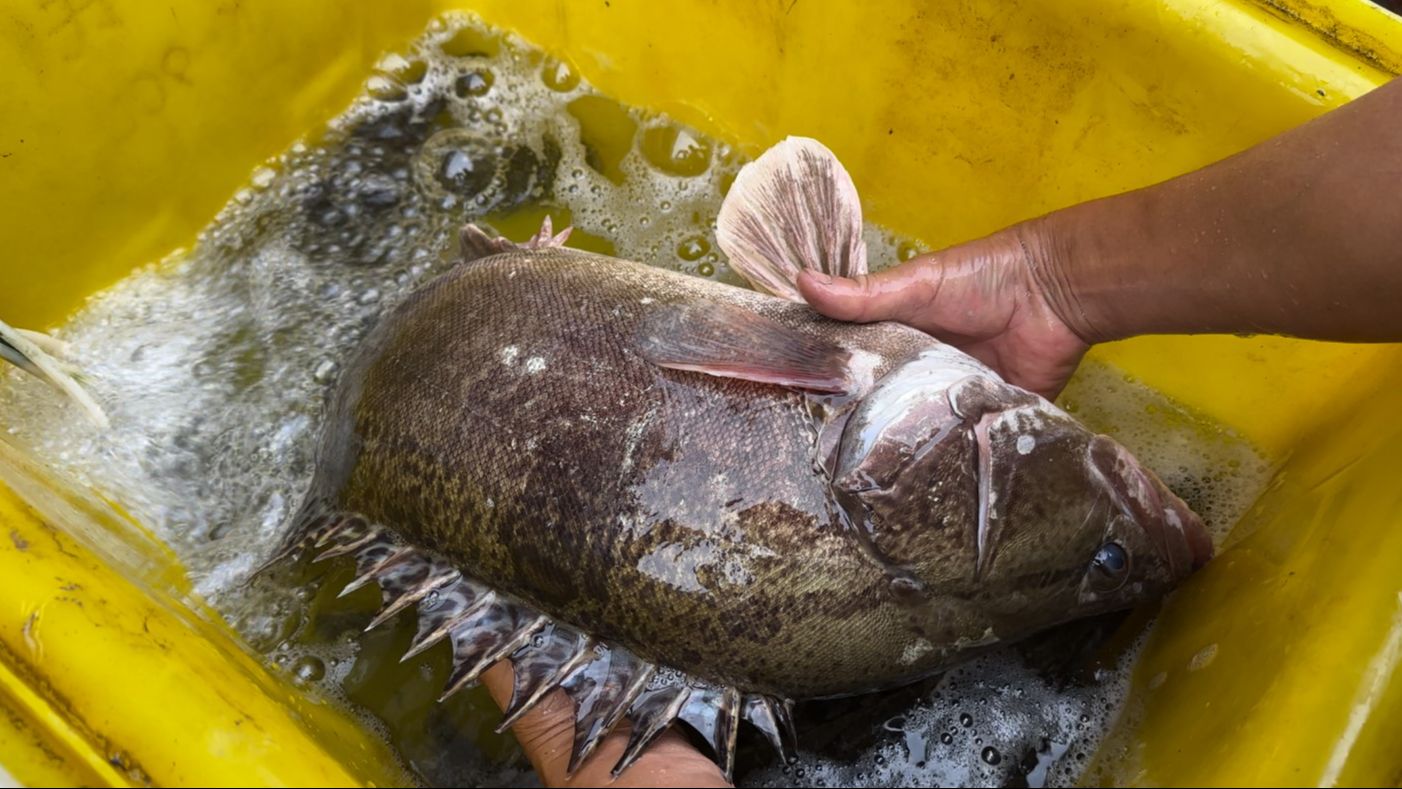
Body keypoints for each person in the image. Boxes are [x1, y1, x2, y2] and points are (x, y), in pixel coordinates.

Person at [479, 75, 1402, 788]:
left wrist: (594, 744)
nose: (1147, 545)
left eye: (1107, 560)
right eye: (1105, 565)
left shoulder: (900, 447)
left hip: (484, 320)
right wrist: (1048, 281)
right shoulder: (904, 463)